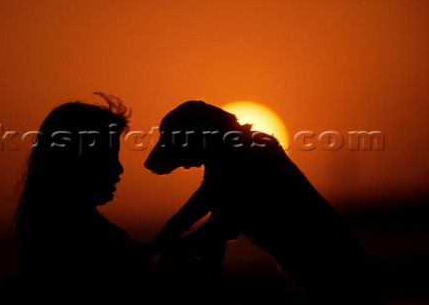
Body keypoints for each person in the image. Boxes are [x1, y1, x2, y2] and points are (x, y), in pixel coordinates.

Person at [142, 100, 386, 305]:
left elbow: (222, 225)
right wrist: (154, 247)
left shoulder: (248, 155)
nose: (166, 149)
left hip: (342, 278)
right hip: (343, 274)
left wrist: (165, 250)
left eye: (170, 139)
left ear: (197, 136)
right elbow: (196, 210)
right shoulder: (239, 153)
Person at [11, 93, 160, 303]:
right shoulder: (92, 239)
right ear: (76, 160)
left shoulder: (40, 229)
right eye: (108, 157)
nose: (119, 168)